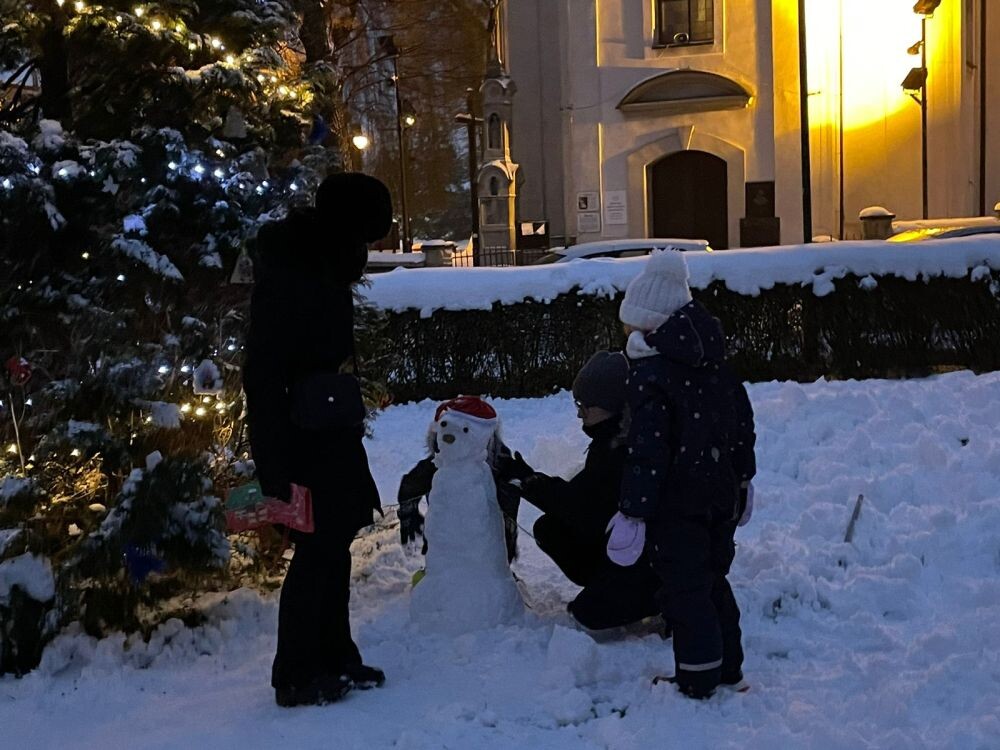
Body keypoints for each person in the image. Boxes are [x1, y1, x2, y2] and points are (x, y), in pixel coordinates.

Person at [244, 172, 391, 707]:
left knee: (336, 542)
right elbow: (261, 372)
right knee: (317, 549)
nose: (368, 250)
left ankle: (335, 653)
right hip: (300, 431)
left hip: (330, 425)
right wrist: (273, 464)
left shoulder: (326, 265)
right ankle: (296, 672)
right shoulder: (292, 273)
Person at [607, 249, 756, 700]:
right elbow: (741, 427)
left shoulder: (653, 375)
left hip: (678, 500)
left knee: (685, 590)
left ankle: (697, 677)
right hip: (718, 494)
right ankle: (728, 668)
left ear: (650, 325)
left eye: (631, 323)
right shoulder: (713, 365)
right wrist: (743, 480)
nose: (627, 332)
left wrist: (633, 510)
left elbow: (649, 450)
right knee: (712, 581)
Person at [499, 351, 662, 631]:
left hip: (650, 557)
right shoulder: (610, 437)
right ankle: (608, 585)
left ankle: (655, 600)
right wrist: (531, 480)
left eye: (586, 406)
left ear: (612, 406)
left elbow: (584, 506)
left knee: (587, 616)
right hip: (625, 545)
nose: (579, 412)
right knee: (551, 528)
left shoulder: (626, 449)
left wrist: (532, 484)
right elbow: (582, 494)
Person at [397, 396, 520, 564]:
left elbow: (520, 490)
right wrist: (408, 513)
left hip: (489, 551)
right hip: (445, 548)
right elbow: (410, 485)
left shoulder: (500, 464)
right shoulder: (439, 464)